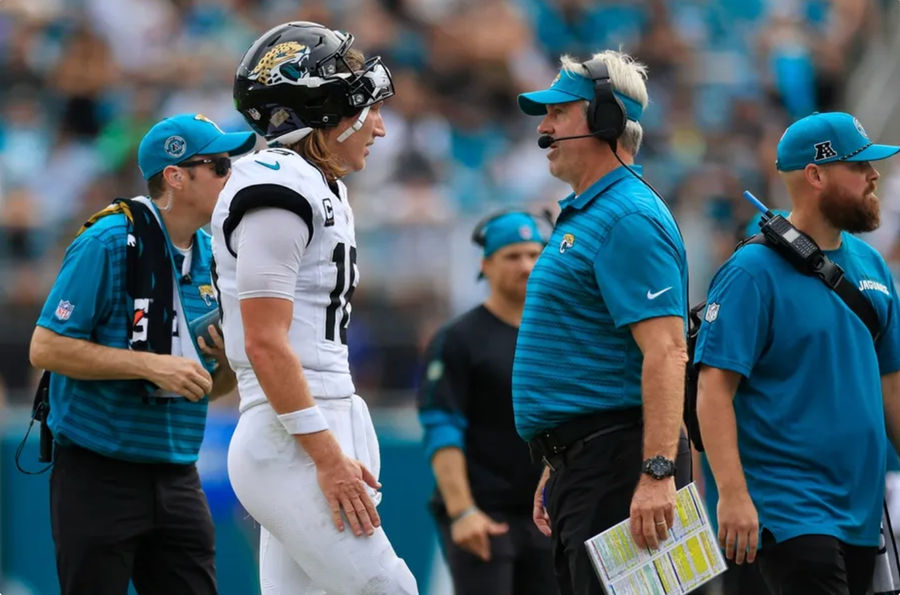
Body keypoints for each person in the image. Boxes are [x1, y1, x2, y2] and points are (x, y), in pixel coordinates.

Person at [212, 21, 417, 594]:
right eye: (366, 108)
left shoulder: (316, 183)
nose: (378, 126)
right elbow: (264, 342)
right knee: (390, 588)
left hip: (317, 420)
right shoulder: (277, 187)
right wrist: (326, 455)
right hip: (289, 435)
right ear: (321, 108)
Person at [29, 112, 254, 594]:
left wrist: (228, 363)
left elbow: (206, 385)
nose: (231, 176)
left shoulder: (214, 255)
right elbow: (45, 346)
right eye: (219, 165)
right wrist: (149, 364)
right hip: (98, 470)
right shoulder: (109, 240)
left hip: (176, 469)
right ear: (176, 175)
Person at [695, 111, 900, 595]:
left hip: (863, 512)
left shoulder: (872, 264)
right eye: (860, 166)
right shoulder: (751, 271)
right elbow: (713, 391)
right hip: (789, 512)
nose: (875, 176)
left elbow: (893, 388)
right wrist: (733, 495)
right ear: (816, 175)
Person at [512, 50, 692, 595]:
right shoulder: (596, 212)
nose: (543, 127)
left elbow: (666, 351)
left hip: (621, 465)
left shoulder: (628, 218)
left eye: (558, 113)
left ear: (605, 121)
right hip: (593, 464)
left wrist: (656, 472)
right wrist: (558, 457)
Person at [417, 211, 557, 595]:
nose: (526, 266)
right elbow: (441, 427)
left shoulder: (557, 336)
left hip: (546, 514)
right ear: (486, 265)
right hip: (484, 515)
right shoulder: (458, 339)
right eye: (513, 256)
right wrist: (462, 511)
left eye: (534, 254)